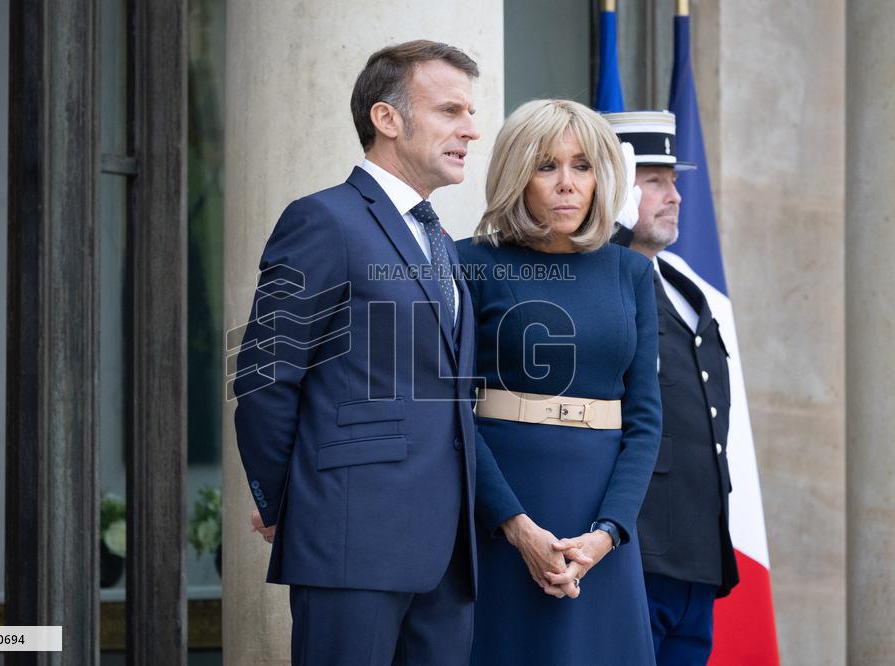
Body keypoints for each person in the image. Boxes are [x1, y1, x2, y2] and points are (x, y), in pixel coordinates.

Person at [232, 40, 483, 665]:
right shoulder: (323, 220)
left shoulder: (441, 241)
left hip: (447, 557)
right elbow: (266, 377)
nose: (471, 130)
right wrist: (283, 504)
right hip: (349, 544)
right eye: (450, 111)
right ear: (387, 118)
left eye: (469, 114)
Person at [457, 99, 662, 665]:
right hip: (503, 511)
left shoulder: (633, 272)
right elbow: (450, 411)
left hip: (603, 524)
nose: (567, 184)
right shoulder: (467, 263)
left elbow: (645, 420)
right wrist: (514, 525)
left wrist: (608, 533)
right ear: (516, 175)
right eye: (546, 166)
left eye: (582, 166)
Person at [605, 110, 739, 664]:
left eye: (675, 180)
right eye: (654, 180)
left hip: (697, 555)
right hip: (633, 552)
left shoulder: (686, 286)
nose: (675, 195)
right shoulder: (599, 278)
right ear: (615, 190)